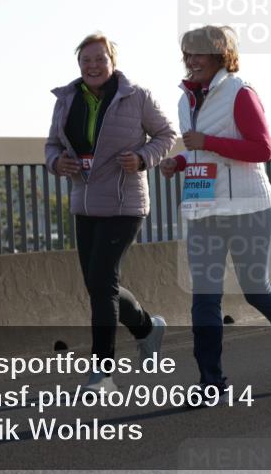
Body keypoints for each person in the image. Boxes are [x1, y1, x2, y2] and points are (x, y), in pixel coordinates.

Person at [160, 26, 271, 393]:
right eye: (187, 54)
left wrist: (206, 141)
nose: (191, 60)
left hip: (248, 208)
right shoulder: (185, 100)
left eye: (198, 53)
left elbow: (262, 149)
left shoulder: (240, 93)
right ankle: (211, 381)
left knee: (256, 289)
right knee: (204, 297)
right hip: (202, 210)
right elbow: (202, 152)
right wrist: (179, 162)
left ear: (220, 55)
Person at [46, 32, 177, 393]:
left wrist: (142, 158)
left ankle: (102, 373)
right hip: (85, 203)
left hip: (125, 203)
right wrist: (58, 163)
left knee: (103, 281)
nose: (92, 65)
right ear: (79, 64)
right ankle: (147, 328)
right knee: (99, 285)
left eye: (99, 59)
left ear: (112, 62)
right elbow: (52, 144)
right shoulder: (67, 99)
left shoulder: (136, 97)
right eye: (86, 60)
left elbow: (167, 134)